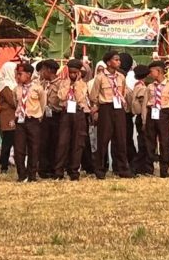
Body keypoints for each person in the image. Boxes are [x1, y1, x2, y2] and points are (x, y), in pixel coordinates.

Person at [91, 51, 131, 179]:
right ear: (108, 62)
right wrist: (97, 110)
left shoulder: (121, 77)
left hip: (118, 108)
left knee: (121, 139)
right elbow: (94, 96)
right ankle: (100, 169)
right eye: (116, 60)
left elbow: (123, 92)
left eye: (119, 60)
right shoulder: (100, 78)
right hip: (106, 108)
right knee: (103, 139)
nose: (118, 62)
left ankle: (122, 169)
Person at [51, 59, 91, 181]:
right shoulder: (63, 82)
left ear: (79, 72)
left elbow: (79, 98)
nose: (73, 75)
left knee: (77, 143)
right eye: (71, 72)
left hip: (78, 113)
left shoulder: (83, 84)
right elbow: (61, 96)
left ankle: (74, 171)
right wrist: (69, 84)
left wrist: (77, 83)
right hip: (66, 113)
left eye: (75, 73)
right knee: (63, 142)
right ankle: (59, 171)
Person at [143, 59, 169, 178]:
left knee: (164, 142)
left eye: (152, 71)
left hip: (163, 113)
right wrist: (144, 119)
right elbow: (145, 104)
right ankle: (148, 169)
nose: (150, 74)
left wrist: (167, 111)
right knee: (149, 142)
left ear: (159, 71)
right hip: (151, 113)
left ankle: (164, 170)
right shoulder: (149, 87)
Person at [12, 62, 45, 183]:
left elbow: (42, 103)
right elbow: (16, 103)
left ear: (29, 74)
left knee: (34, 148)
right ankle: (22, 174)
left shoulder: (37, 88)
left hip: (33, 120)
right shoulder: (16, 89)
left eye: (20, 74)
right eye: (17, 74)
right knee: (19, 149)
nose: (18, 77)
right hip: (20, 121)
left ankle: (32, 175)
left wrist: (38, 115)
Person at [36, 59, 61, 180]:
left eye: (44, 70)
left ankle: (53, 168)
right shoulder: (42, 84)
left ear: (50, 70)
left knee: (54, 143)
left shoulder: (60, 84)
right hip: (43, 116)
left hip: (56, 116)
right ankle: (43, 169)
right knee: (43, 143)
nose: (42, 73)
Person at [0, 63, 17, 175]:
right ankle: (4, 164)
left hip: (14, 115)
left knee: (15, 139)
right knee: (8, 140)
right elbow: (12, 100)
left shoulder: (13, 84)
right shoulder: (5, 85)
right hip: (8, 116)